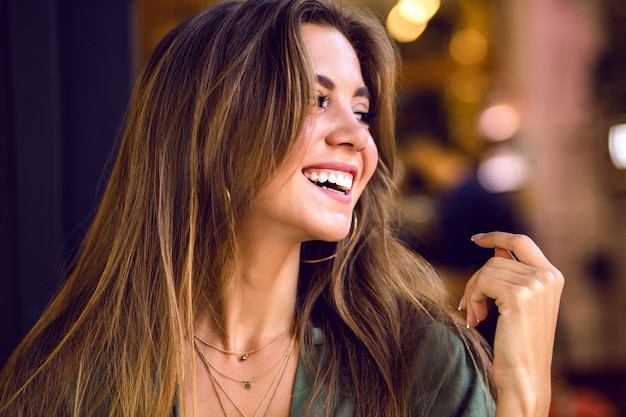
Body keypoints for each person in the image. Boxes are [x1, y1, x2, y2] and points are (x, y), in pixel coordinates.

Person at [0, 0, 564, 416]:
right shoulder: (69, 381)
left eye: (362, 111)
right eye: (315, 100)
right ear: (210, 130)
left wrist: (523, 387)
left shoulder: (418, 361)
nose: (357, 138)